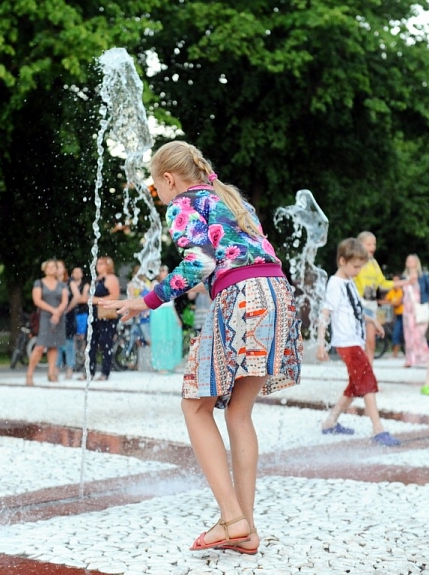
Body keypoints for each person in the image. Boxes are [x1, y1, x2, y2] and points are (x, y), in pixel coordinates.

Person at [104, 141, 302, 554]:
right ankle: (245, 529)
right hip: (277, 292)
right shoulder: (231, 199)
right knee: (238, 412)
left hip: (242, 296)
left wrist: (145, 300)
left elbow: (200, 264)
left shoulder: (184, 203)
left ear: (169, 179)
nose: (158, 196)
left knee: (195, 406)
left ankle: (232, 519)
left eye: (156, 187)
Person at [317, 238, 401, 446]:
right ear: (342, 261)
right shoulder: (335, 284)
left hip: (355, 340)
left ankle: (330, 422)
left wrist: (371, 319)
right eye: (355, 267)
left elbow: (355, 308)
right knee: (367, 382)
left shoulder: (349, 282)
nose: (358, 271)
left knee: (355, 385)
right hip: (347, 342)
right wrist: (320, 344)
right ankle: (377, 429)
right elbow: (325, 313)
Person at [353, 231, 402, 363]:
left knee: (371, 344)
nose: (372, 247)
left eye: (374, 244)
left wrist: (403, 282)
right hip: (359, 305)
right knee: (359, 344)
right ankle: (359, 377)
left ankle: (369, 377)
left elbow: (383, 283)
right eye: (368, 244)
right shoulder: (355, 263)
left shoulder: (374, 263)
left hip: (372, 306)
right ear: (359, 245)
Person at [26, 259, 68, 385]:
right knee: (40, 346)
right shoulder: (39, 283)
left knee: (54, 346)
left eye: (53, 267)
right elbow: (37, 300)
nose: (51, 269)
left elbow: (65, 301)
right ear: (44, 269)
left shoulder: (62, 285)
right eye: (48, 267)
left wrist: (58, 312)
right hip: (45, 316)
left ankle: (51, 372)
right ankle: (29, 373)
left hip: (58, 318)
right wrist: (53, 310)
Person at [86, 256, 120, 381]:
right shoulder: (96, 279)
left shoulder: (111, 279)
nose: (97, 266)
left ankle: (105, 372)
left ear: (107, 265)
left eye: (101, 264)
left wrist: (95, 300)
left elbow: (115, 296)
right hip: (94, 314)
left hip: (106, 314)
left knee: (106, 343)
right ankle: (90, 371)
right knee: (91, 343)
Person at [149, 264, 183, 373]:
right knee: (160, 338)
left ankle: (170, 364)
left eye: (166, 270)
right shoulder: (154, 284)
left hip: (169, 312)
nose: (165, 272)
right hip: (159, 312)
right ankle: (160, 365)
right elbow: (152, 299)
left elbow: (172, 304)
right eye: (163, 271)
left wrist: (177, 317)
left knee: (171, 338)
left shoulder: (170, 284)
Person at [401, 254, 429, 368]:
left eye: (412, 260)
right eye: (408, 260)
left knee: (420, 333)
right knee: (408, 333)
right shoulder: (404, 277)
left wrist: (425, 302)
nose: (409, 262)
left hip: (419, 306)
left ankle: (423, 356)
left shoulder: (423, 276)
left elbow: (428, 291)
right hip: (407, 308)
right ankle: (410, 358)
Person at [55, 260, 80, 380]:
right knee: (56, 343)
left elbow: (77, 296)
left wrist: (68, 308)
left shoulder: (69, 282)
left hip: (67, 316)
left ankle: (69, 368)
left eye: (59, 267)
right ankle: (56, 367)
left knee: (69, 343)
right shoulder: (53, 283)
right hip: (56, 315)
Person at [382, 275, 404, 358]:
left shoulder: (402, 291)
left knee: (398, 333)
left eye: (397, 281)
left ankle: (397, 352)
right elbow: (385, 300)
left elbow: (398, 303)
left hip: (405, 315)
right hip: (398, 315)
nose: (395, 283)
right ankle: (395, 353)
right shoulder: (392, 291)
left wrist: (387, 303)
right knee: (396, 333)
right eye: (393, 281)